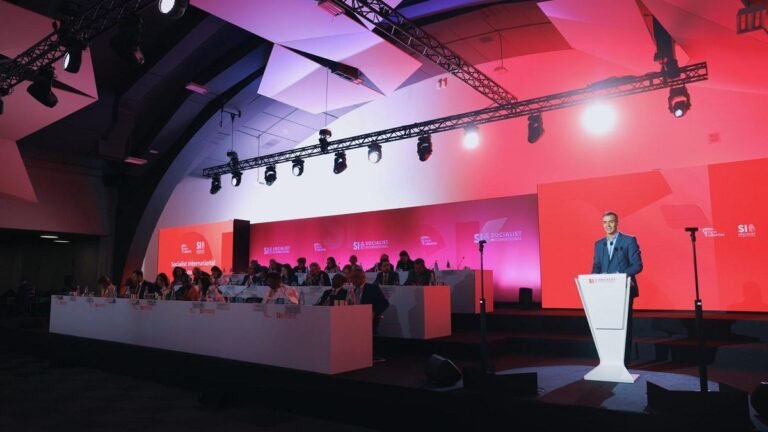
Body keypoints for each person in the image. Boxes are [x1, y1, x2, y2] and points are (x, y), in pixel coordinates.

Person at [591, 211, 643, 366]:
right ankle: (608, 361)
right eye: (605, 222)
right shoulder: (599, 244)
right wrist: (594, 278)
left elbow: (637, 265)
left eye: (611, 221)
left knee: (624, 327)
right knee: (607, 326)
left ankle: (624, 362)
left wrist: (620, 276)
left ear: (617, 222)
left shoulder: (628, 240)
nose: (608, 225)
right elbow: (597, 265)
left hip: (623, 290)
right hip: (604, 292)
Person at [347, 269, 389, 334]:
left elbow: (385, 303)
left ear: (362, 277)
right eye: (351, 278)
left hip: (369, 323)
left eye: (354, 278)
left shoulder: (372, 288)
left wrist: (374, 313)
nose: (352, 280)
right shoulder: (354, 291)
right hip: (356, 323)